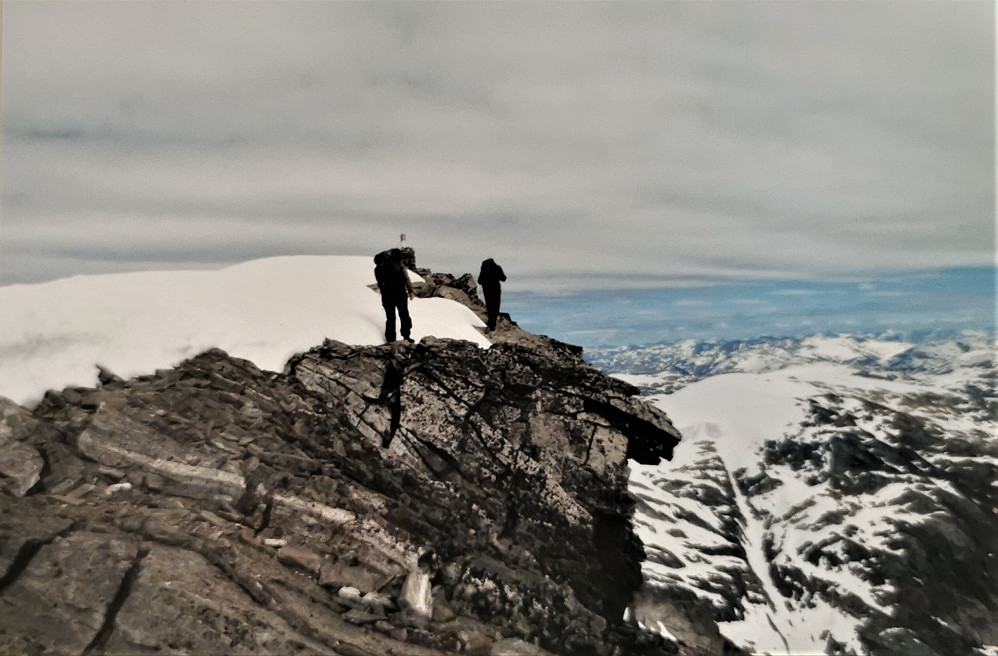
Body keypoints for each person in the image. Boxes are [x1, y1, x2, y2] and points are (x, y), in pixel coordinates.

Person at [374, 248, 415, 343]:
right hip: (399, 294)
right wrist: (410, 291)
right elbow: (406, 278)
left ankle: (391, 339)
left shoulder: (379, 267)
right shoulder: (398, 265)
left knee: (391, 318)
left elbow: (380, 282)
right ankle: (406, 336)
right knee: (404, 315)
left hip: (387, 295)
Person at [477, 258, 506, 332]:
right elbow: (503, 278)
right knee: (496, 305)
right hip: (496, 289)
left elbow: (479, 281)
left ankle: (491, 323)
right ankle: (493, 323)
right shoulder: (497, 268)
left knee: (489, 305)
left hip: (487, 290)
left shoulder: (484, 269)